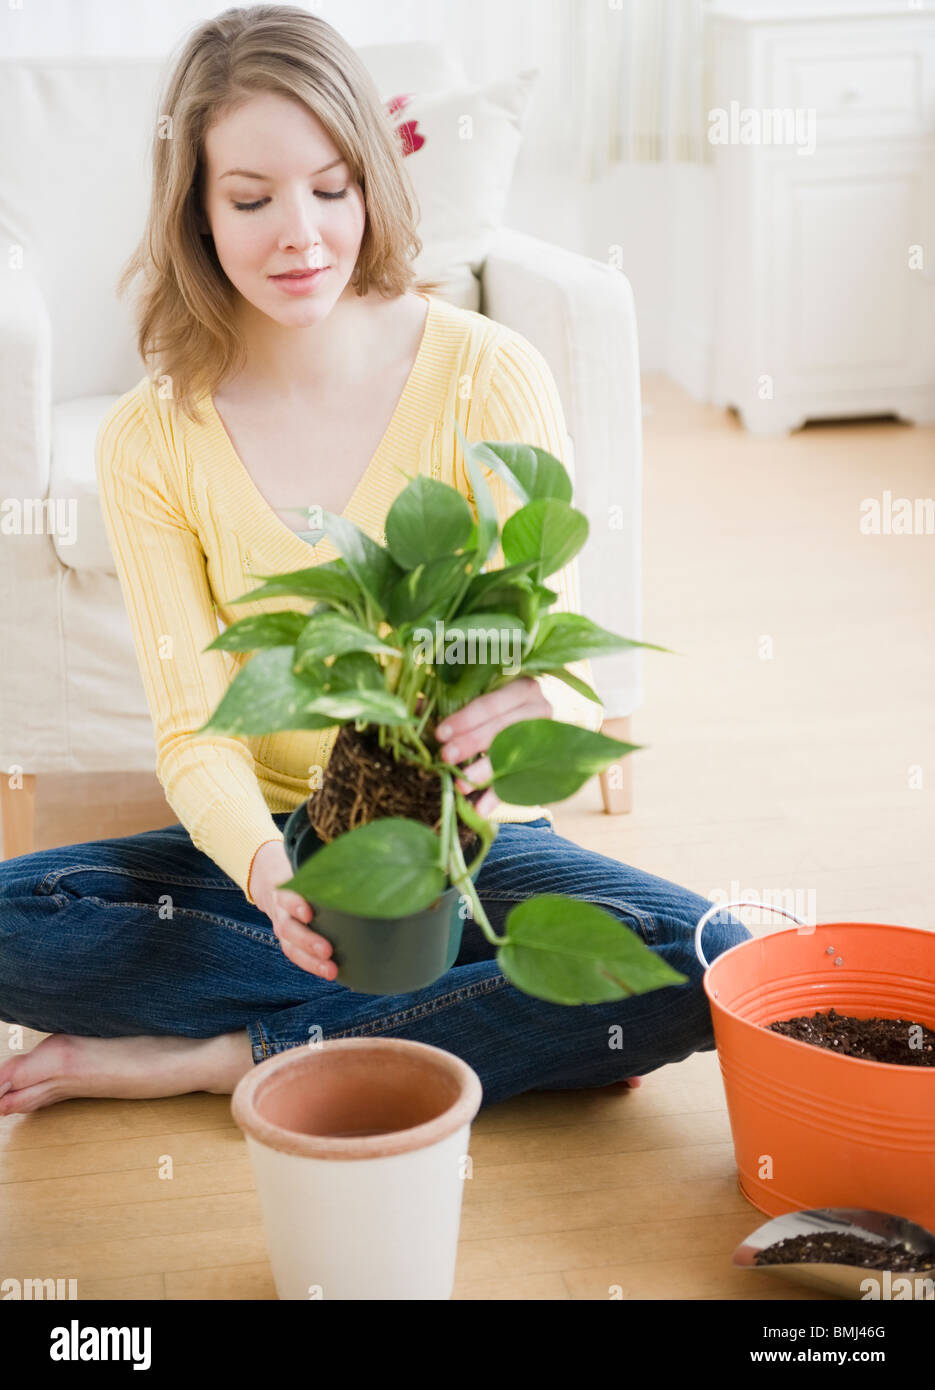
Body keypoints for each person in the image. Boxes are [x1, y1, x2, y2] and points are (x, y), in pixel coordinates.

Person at [0, 5, 750, 1116]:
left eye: (330, 188)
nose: (298, 233)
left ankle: (238, 1054)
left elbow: (537, 639)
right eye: (250, 199)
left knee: (708, 957)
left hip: (451, 848)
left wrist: (522, 698)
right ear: (199, 213)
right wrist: (272, 873)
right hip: (267, 863)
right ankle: (481, 1020)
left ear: (372, 185)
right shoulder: (150, 435)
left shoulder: (485, 376)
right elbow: (194, 730)